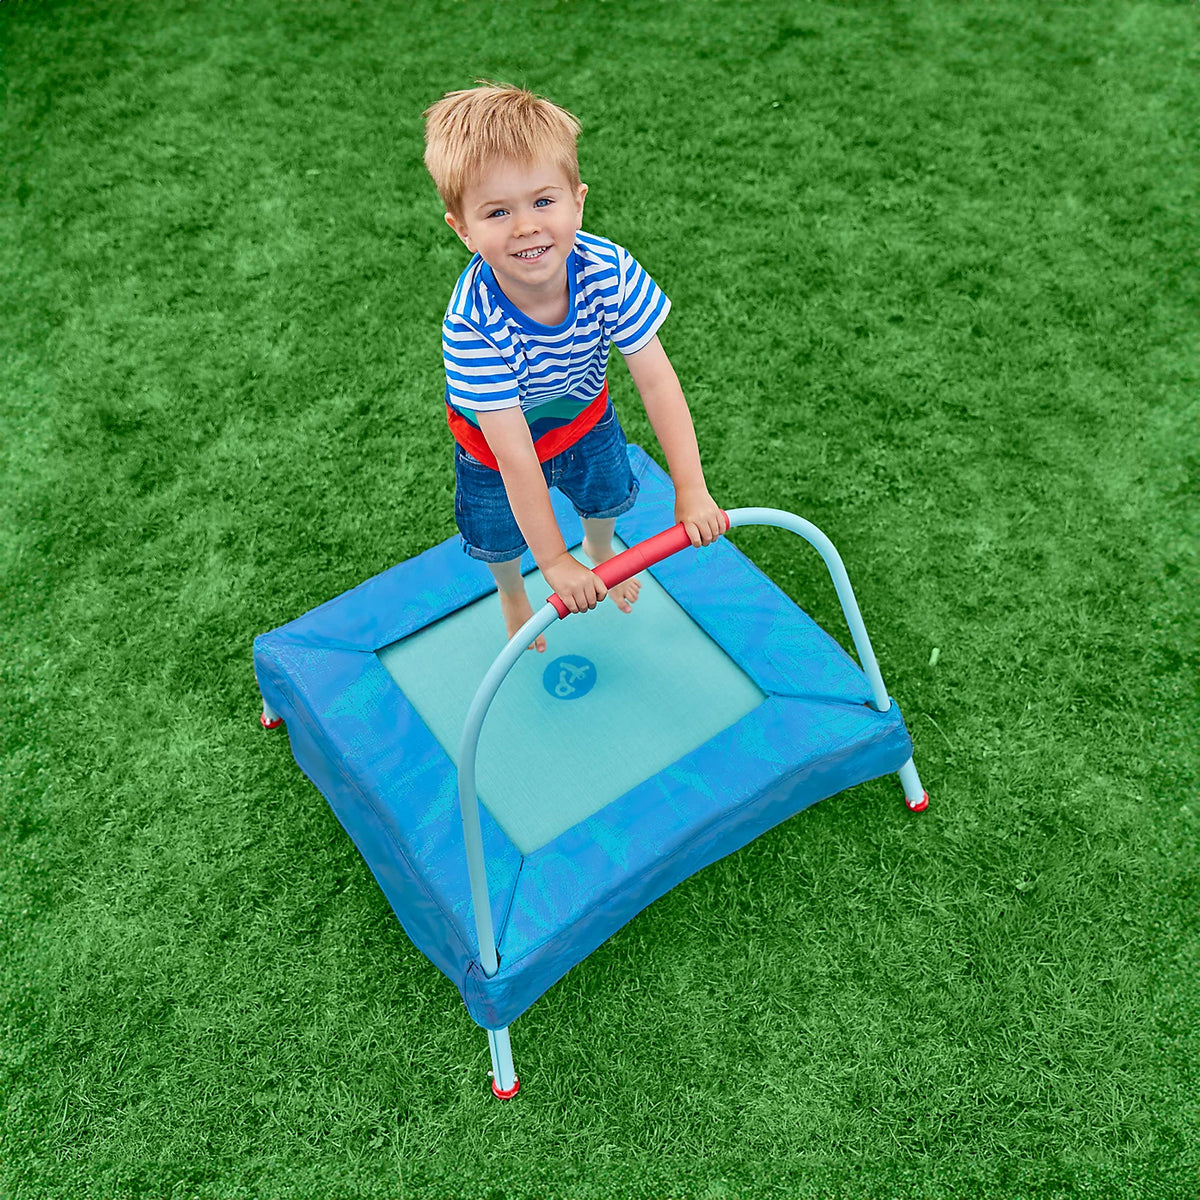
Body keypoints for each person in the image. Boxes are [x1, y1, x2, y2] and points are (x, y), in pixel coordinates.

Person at [422, 81, 724, 651]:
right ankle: (511, 593)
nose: (526, 226)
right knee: (500, 538)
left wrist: (692, 488)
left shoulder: (606, 268)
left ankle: (601, 550)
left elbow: (657, 379)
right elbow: (515, 459)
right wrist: (552, 563)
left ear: (577, 201)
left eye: (543, 201)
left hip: (584, 418)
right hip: (494, 451)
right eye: (497, 212)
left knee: (608, 495)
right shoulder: (471, 325)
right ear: (462, 229)